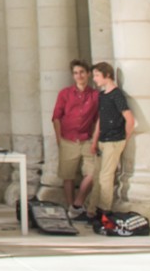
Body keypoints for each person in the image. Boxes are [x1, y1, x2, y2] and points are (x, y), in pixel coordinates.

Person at [52, 59, 100, 220]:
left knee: (92, 172)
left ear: (88, 74)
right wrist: (59, 138)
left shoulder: (95, 95)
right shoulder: (65, 93)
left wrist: (94, 140)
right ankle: (71, 208)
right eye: (75, 73)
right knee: (68, 175)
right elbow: (57, 117)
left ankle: (77, 204)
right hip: (68, 138)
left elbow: (96, 119)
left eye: (81, 72)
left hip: (86, 138)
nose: (79, 76)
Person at [90, 62, 136, 230]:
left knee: (106, 177)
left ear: (107, 75)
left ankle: (104, 210)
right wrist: (94, 141)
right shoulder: (102, 95)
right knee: (97, 177)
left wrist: (124, 139)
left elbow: (129, 119)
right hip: (103, 140)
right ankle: (92, 210)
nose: (94, 79)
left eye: (96, 75)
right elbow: (101, 120)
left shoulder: (116, 95)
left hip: (114, 141)